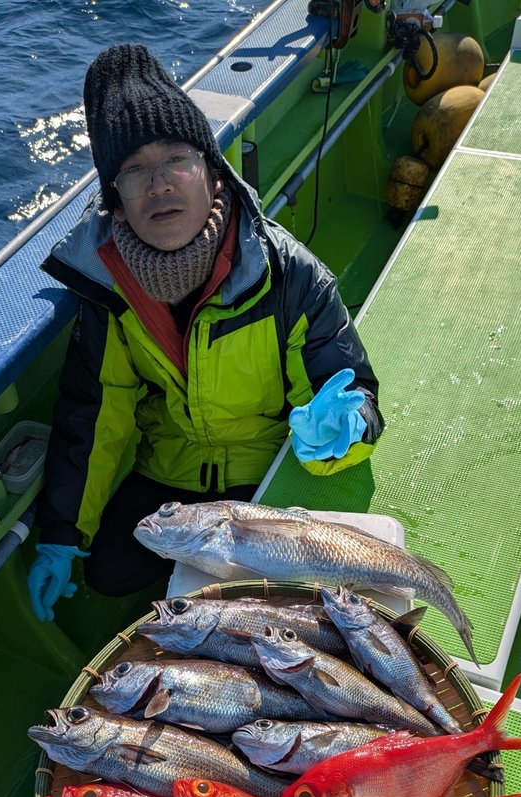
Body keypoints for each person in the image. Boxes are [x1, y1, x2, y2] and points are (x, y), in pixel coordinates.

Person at [28, 43, 384, 622]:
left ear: (211, 171)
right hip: (172, 471)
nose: (159, 184)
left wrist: (345, 426)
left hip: (269, 469)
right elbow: (96, 414)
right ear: (115, 199)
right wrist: (63, 531)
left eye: (176, 159)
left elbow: (357, 393)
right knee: (108, 571)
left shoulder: (290, 275)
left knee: (286, 606)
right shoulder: (109, 292)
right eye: (134, 170)